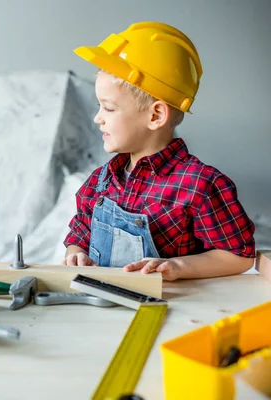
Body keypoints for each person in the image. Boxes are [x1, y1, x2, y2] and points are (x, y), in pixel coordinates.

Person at [63, 22, 255, 280]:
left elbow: (239, 255)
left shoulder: (200, 185)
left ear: (155, 115)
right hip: (100, 305)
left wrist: (180, 267)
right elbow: (80, 234)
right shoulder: (100, 182)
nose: (98, 118)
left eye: (108, 108)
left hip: (167, 309)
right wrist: (76, 253)